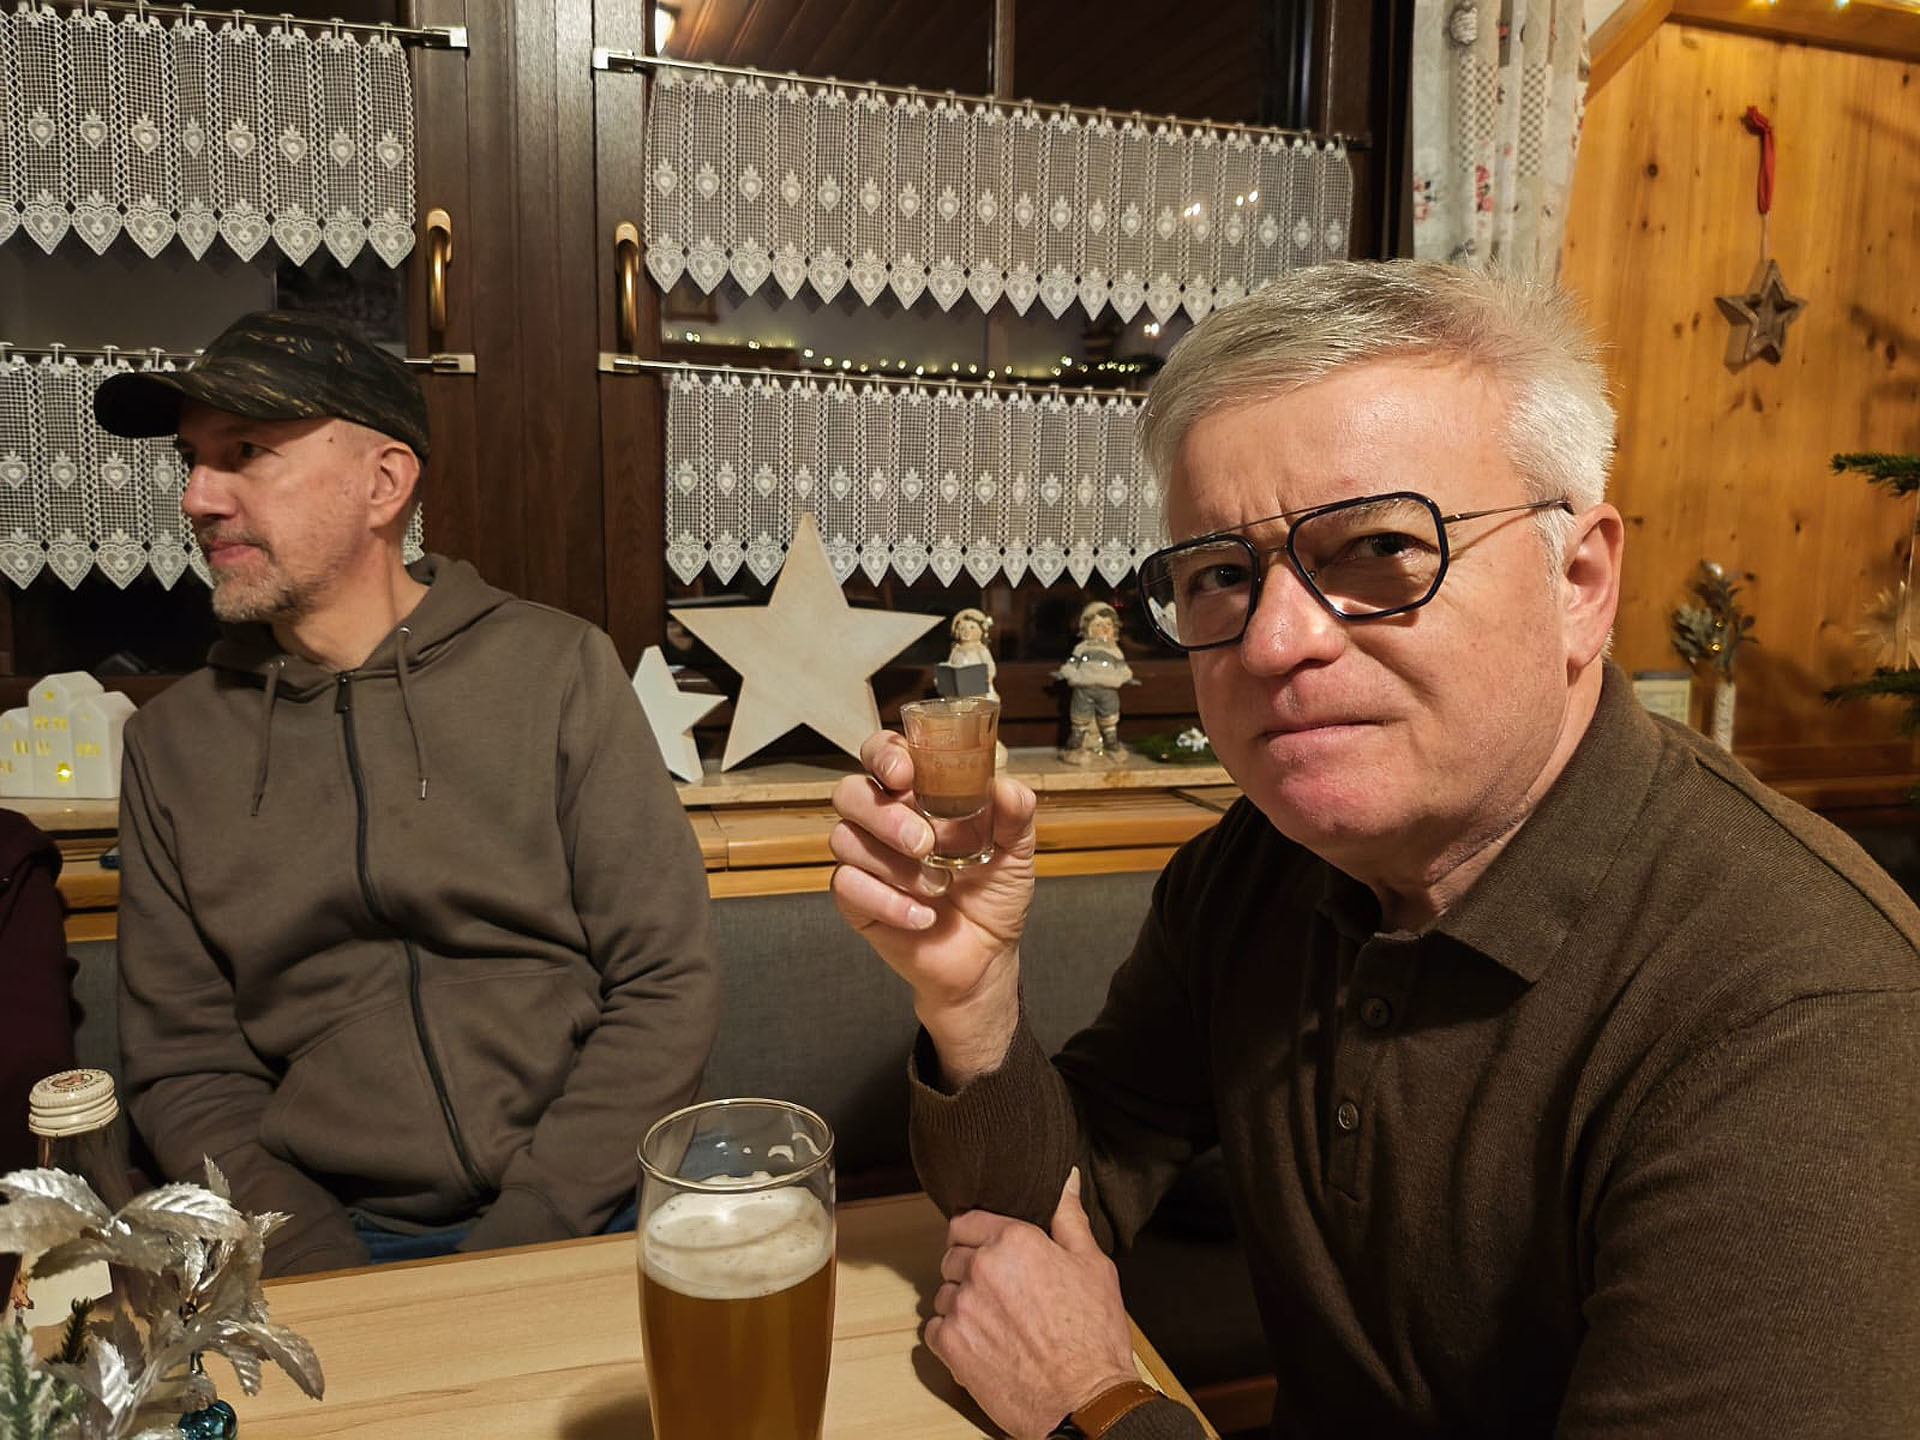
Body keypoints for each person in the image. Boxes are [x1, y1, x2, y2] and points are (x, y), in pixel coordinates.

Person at [828, 261, 1920, 1438]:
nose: (1277, 641)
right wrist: (974, 1003)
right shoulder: (1257, 869)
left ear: (1580, 583)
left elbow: (1060, 1353)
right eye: (1221, 574)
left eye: (1381, 549)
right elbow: (1046, 1226)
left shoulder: (1803, 1016)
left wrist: (1099, 1405)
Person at [95, 311, 719, 1277]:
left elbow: (665, 979)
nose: (197, 498)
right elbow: (185, 1067)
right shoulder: (173, 745)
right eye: (193, 460)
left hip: (598, 1200)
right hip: (326, 1234)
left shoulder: (555, 669)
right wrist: (320, 1264)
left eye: (244, 452)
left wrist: (537, 1224)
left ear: (384, 484)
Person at [1055, 600, 1136, 764]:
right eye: (1099, 625)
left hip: (1108, 689)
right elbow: (1072, 664)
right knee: (1080, 715)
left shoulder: (1115, 651)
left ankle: (1111, 742)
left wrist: (1127, 677)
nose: (1104, 629)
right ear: (1088, 629)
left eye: (1108, 625)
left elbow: (1122, 668)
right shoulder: (1082, 649)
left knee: (1109, 716)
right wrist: (1066, 672)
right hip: (1084, 688)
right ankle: (1076, 741)